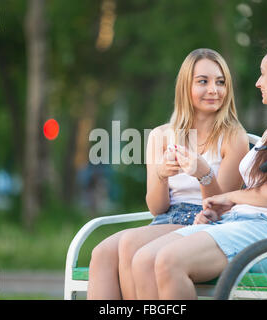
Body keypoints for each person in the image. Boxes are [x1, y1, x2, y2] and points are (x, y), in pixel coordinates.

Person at [126, 41, 267, 299]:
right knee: (143, 259)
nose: (258, 82)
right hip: (238, 223)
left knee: (168, 261)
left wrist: (227, 197)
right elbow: (256, 191)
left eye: (263, 74)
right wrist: (219, 210)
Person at [87, 48, 249, 299]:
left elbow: (221, 206)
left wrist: (203, 173)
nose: (213, 90)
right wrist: (161, 176)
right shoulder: (161, 136)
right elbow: (156, 208)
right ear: (186, 86)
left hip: (206, 222)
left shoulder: (233, 136)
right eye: (203, 82)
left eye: (220, 82)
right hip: (168, 219)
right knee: (101, 253)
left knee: (130, 244)